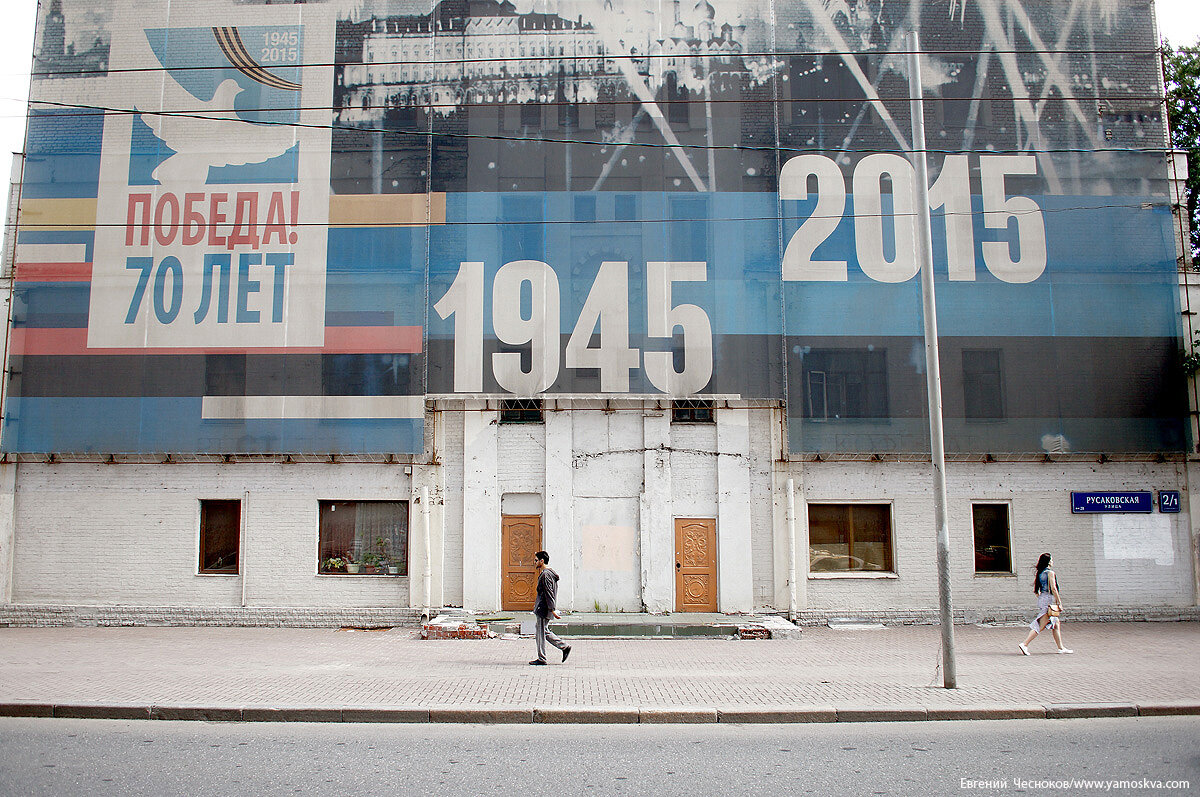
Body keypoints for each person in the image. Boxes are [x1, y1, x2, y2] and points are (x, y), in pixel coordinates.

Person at [1018, 552, 1072, 655]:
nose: (1052, 562)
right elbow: (1053, 588)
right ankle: (1025, 644)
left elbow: (1036, 591)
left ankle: (1061, 648)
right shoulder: (1050, 573)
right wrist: (1059, 602)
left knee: (1056, 624)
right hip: (1048, 599)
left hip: (1043, 597)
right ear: (1048, 562)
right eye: (1051, 560)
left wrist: (1042, 598)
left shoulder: (1040, 573)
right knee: (1041, 625)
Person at [530, 550, 572, 665]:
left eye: (536, 560)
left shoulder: (545, 574)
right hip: (544, 608)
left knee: (541, 633)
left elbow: (549, 593)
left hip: (543, 608)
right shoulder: (549, 573)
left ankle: (542, 658)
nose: (534, 563)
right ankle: (564, 647)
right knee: (543, 631)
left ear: (541, 561)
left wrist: (552, 609)